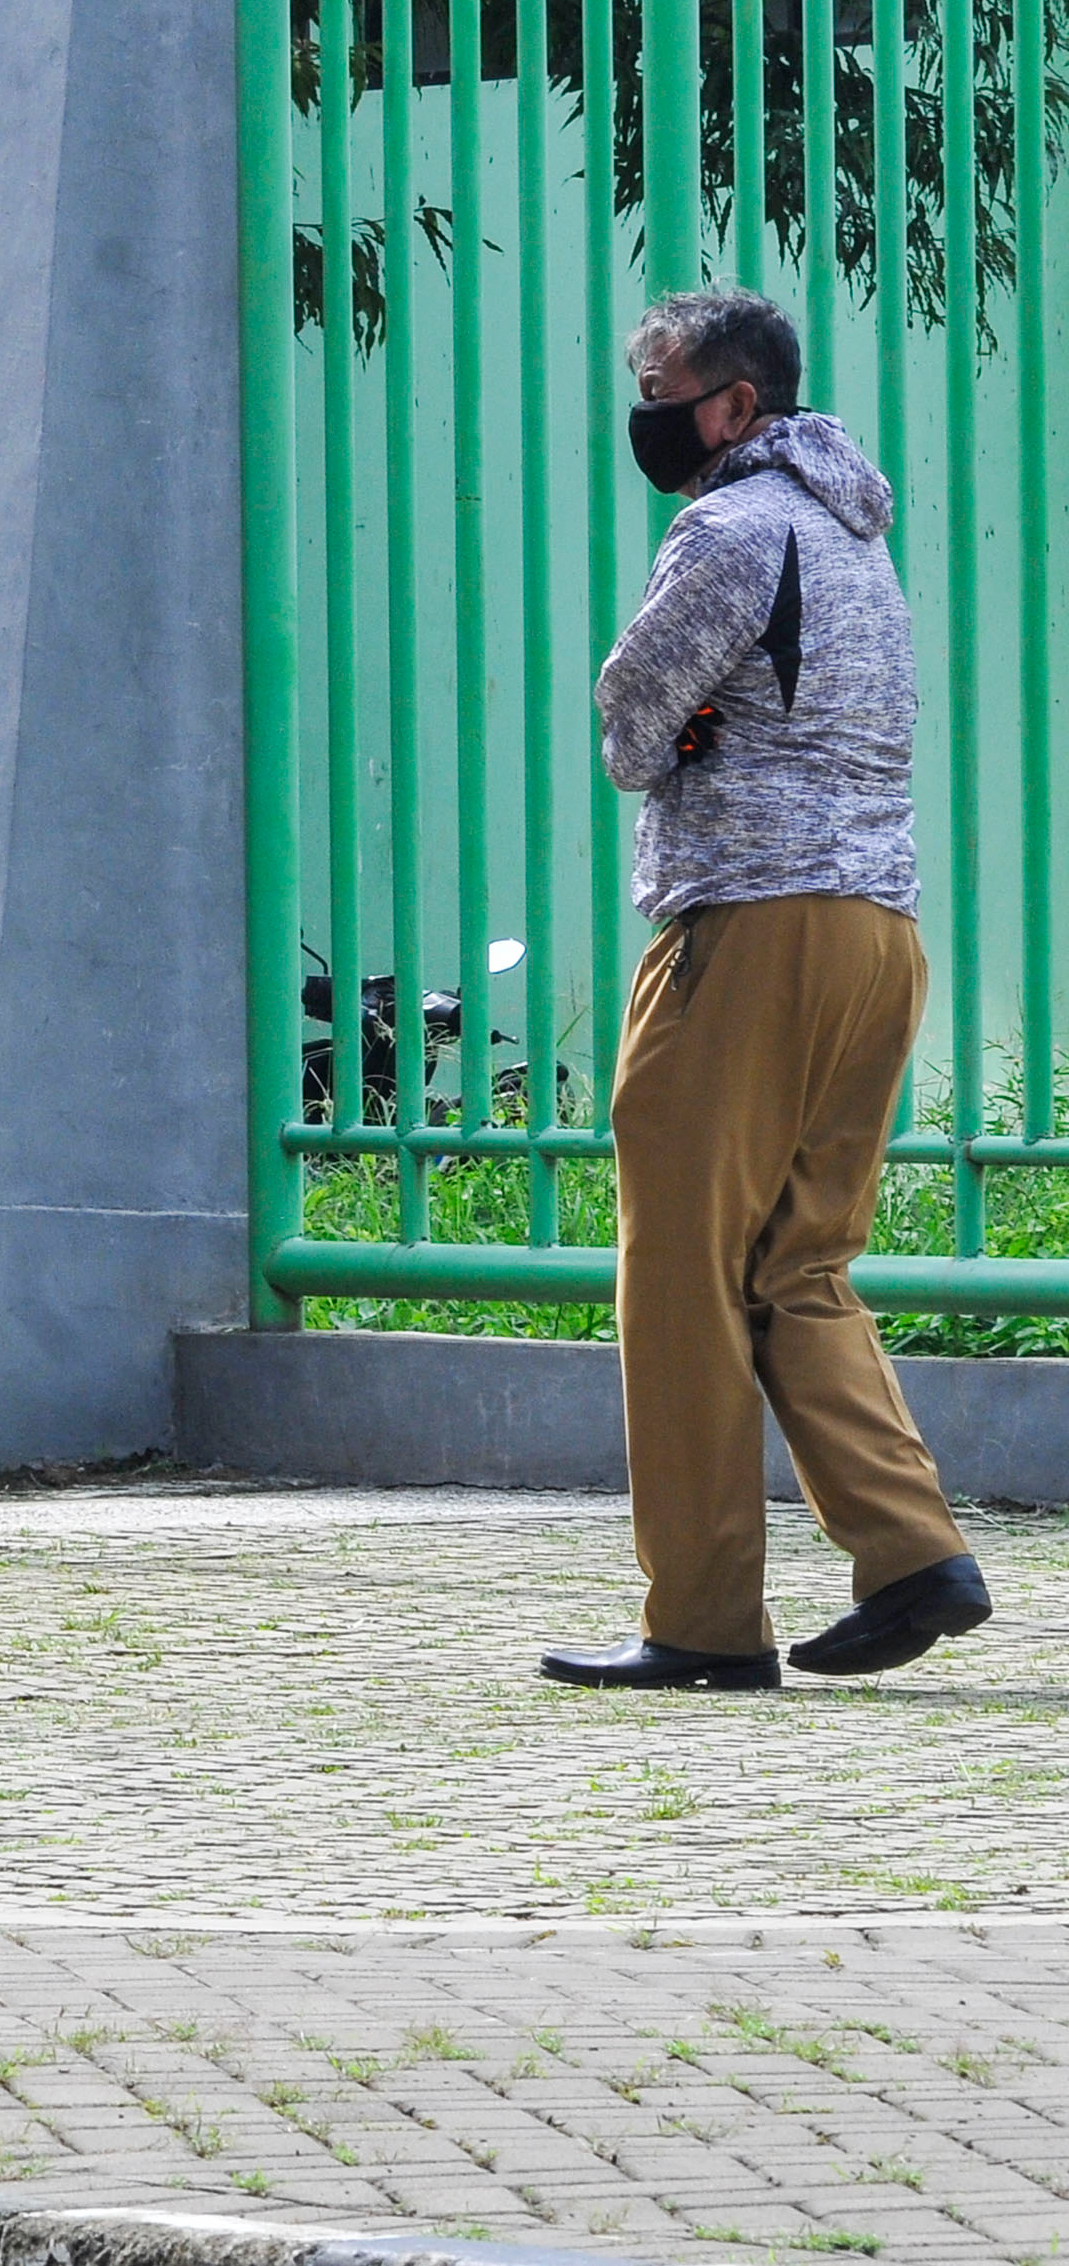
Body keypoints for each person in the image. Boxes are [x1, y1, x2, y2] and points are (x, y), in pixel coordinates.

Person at [542, 291, 991, 1691]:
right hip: (877, 932)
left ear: (734, 404)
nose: (650, 411)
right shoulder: (859, 538)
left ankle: (701, 1622)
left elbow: (629, 720)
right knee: (796, 1262)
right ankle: (917, 1555)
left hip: (749, 930)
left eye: (665, 386)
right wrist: (704, 717)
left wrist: (684, 725)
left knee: (679, 1267)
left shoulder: (727, 530)